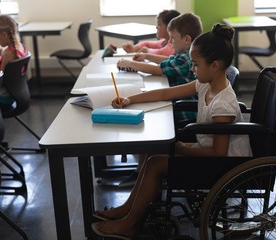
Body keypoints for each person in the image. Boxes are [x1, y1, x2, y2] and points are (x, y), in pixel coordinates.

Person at [92, 23, 252, 239]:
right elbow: (166, 93)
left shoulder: (223, 104)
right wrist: (130, 99)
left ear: (214, 66)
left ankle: (129, 223)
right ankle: (128, 210)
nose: (191, 69)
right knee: (152, 155)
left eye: (195, 65)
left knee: (156, 161)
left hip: (225, 166)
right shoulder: (206, 84)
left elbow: (218, 154)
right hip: (209, 153)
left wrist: (181, 148)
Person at [116, 12, 203, 188]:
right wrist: (146, 56)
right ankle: (141, 172)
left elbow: (160, 70)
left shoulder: (186, 59)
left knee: (148, 125)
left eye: (172, 38)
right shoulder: (186, 55)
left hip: (187, 118)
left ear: (187, 39)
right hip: (182, 110)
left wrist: (132, 64)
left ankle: (143, 175)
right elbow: (167, 61)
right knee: (148, 116)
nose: (170, 43)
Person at [0, 14, 28, 104]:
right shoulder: (18, 47)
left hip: (2, 97)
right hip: (14, 93)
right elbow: (1, 51)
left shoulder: (9, 54)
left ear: (4, 34)